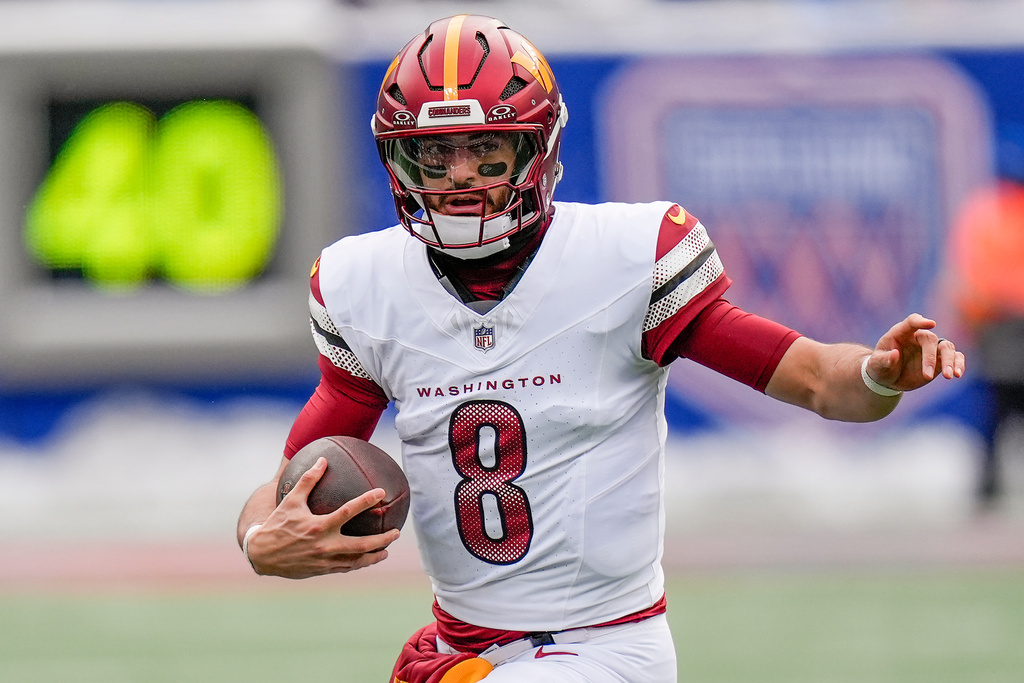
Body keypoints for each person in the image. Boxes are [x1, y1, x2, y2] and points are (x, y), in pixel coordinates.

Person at [236, 14, 967, 683]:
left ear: (537, 148)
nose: (460, 177)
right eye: (435, 155)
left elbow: (815, 380)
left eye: (486, 151)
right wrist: (259, 540)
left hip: (605, 649)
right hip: (462, 647)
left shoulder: (626, 258)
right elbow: (285, 489)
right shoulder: (365, 284)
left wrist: (878, 373)